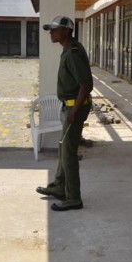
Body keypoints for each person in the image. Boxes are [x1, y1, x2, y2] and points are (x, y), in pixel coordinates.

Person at [36, 15, 93, 212]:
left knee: (68, 154)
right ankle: (60, 187)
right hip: (69, 107)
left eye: (55, 29)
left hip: (73, 108)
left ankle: (73, 198)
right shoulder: (69, 49)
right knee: (63, 148)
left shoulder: (73, 52)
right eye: (50, 30)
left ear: (67, 31)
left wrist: (74, 111)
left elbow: (86, 84)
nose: (51, 33)